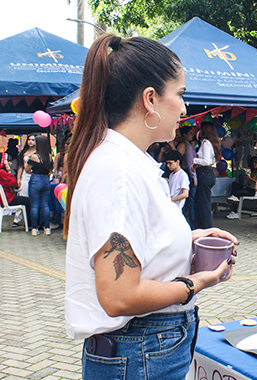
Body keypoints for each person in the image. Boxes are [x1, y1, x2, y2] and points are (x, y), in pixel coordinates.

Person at [64, 34, 236, 380]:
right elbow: (119, 295)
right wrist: (193, 283)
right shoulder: (119, 170)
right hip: (141, 350)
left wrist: (191, 239)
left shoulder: (130, 161)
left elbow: (138, 252)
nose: (185, 109)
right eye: (181, 94)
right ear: (151, 99)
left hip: (147, 348)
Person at [192, 121, 221, 229]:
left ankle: (206, 227)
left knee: (204, 204)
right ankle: (201, 226)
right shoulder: (209, 143)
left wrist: (194, 161)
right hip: (205, 173)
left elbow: (207, 161)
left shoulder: (206, 143)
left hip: (205, 173)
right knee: (200, 202)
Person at [25, 135, 52, 236]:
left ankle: (35, 229)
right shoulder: (49, 156)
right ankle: (47, 227)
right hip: (46, 180)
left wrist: (32, 171)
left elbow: (26, 168)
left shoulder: (34, 156)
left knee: (35, 205)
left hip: (35, 179)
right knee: (45, 205)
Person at [0, 152, 31, 226]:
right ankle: (30, 224)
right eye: (7, 160)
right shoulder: (2, 172)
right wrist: (9, 172)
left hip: (6, 197)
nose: (9, 162)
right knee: (28, 201)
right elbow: (14, 184)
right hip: (8, 198)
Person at [226, 155, 257, 220]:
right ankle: (234, 204)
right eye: (253, 162)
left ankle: (235, 211)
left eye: (256, 162)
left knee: (237, 193)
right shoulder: (253, 171)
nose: (254, 164)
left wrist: (250, 179)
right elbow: (253, 182)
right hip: (249, 188)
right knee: (235, 184)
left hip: (254, 191)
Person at [179, 125, 198, 227]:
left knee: (187, 201)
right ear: (184, 135)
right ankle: (192, 224)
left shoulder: (187, 145)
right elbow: (190, 162)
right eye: (190, 133)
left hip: (186, 172)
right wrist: (194, 177)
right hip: (189, 173)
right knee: (191, 201)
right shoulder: (187, 146)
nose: (192, 135)